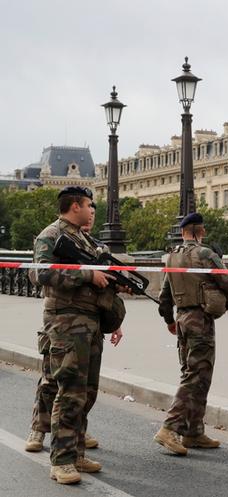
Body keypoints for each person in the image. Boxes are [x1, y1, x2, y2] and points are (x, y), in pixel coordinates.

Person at [31, 186, 120, 484]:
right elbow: (39, 273)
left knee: (87, 393)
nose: (92, 209)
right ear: (74, 206)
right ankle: (62, 461)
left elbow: (99, 278)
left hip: (90, 322)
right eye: (88, 204)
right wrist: (86, 275)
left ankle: (76, 450)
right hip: (66, 324)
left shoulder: (84, 238)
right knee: (69, 392)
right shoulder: (51, 235)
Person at [154, 212, 228, 456]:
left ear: (183, 232)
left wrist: (169, 320)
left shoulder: (172, 256)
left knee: (196, 374)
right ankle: (170, 427)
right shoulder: (206, 254)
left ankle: (193, 431)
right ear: (201, 232)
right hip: (201, 319)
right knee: (196, 375)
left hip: (182, 319)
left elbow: (164, 295)